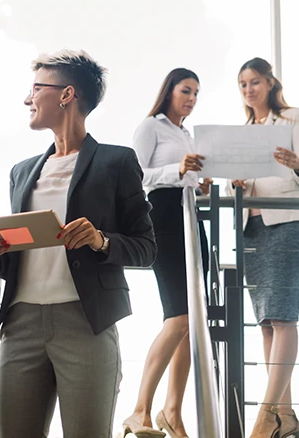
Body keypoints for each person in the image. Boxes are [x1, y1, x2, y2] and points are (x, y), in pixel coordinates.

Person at [0, 50, 157, 438]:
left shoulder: (117, 162)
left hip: (86, 323)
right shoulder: (21, 173)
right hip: (20, 324)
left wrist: (100, 239)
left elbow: (146, 247)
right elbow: (17, 258)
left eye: (36, 88)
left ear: (67, 94)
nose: (27, 98)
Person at [121, 68, 211, 438]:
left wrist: (200, 182)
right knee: (178, 316)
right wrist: (177, 169)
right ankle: (140, 410)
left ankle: (172, 411)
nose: (191, 99)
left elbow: (186, 181)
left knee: (191, 323)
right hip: (165, 219)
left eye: (196, 94)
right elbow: (134, 175)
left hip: (192, 220)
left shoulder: (188, 135)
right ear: (169, 92)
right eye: (185, 91)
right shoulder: (151, 127)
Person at [230, 57, 299, 438]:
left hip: (286, 225)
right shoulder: (244, 131)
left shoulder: (293, 117)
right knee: (266, 324)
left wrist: (297, 163)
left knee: (283, 317)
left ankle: (267, 415)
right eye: (243, 84)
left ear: (269, 83)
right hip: (252, 230)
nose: (249, 89)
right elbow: (244, 186)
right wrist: (237, 182)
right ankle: (285, 414)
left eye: (255, 82)